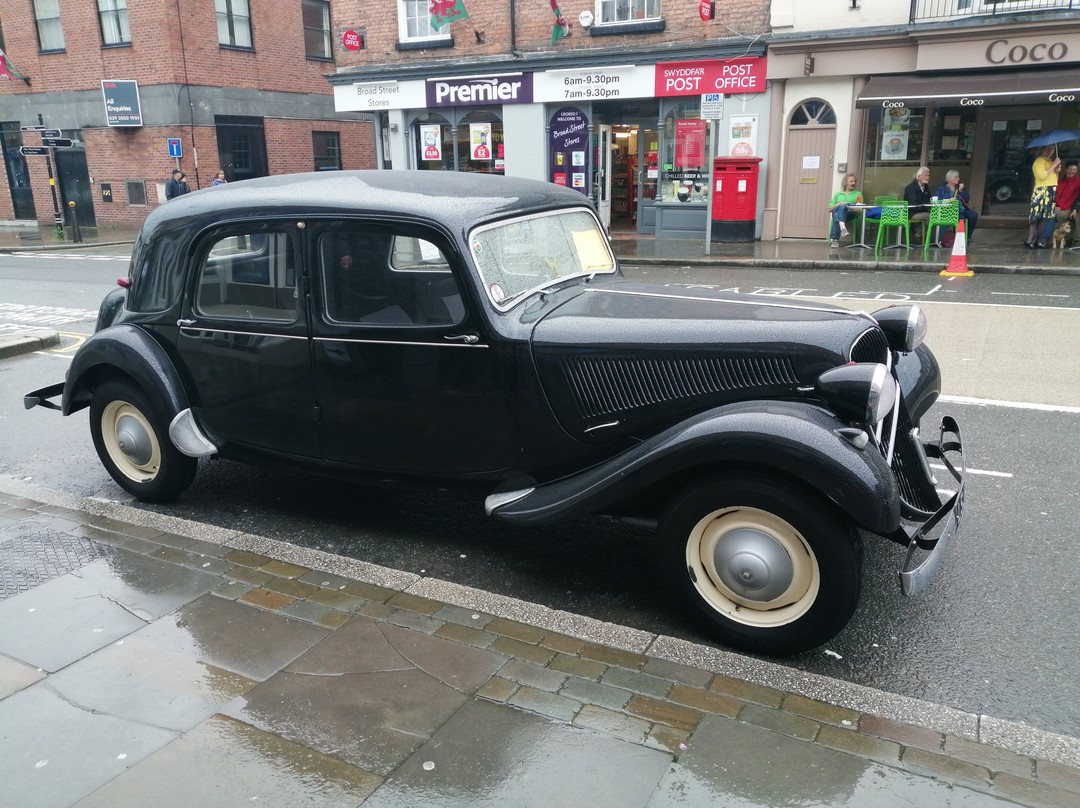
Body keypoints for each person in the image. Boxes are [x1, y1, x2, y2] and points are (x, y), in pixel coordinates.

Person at [1026, 145, 1060, 248]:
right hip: (1041, 191)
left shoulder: (1049, 161)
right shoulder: (1039, 161)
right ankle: (1029, 240)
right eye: (1048, 148)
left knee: (1045, 217)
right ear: (1042, 149)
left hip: (1050, 191)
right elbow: (1042, 176)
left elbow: (1052, 178)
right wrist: (1054, 165)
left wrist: (1056, 171)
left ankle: (1038, 240)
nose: (1050, 151)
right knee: (1036, 217)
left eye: (1052, 149)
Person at [934, 170, 977, 243]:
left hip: (961, 209)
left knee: (973, 215)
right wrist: (949, 199)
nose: (958, 179)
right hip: (949, 210)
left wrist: (961, 191)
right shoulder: (942, 188)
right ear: (950, 179)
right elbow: (937, 199)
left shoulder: (959, 188)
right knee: (961, 219)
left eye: (958, 177)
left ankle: (968, 237)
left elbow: (967, 198)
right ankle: (959, 239)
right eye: (956, 177)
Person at [827, 173, 862, 247]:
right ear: (845, 183)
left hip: (850, 214)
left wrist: (847, 207)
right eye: (851, 181)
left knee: (837, 214)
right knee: (840, 209)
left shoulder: (858, 194)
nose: (853, 183)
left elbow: (860, 209)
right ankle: (842, 227)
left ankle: (835, 240)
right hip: (838, 211)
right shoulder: (838, 194)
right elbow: (829, 209)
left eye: (854, 181)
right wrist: (839, 204)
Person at [903, 166, 933, 241]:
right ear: (919, 177)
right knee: (931, 217)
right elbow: (913, 205)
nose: (928, 177)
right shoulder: (911, 188)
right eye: (926, 175)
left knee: (936, 215)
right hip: (911, 213)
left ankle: (919, 236)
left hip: (921, 211)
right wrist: (926, 207)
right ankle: (917, 235)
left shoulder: (925, 187)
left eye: (928, 175)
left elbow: (929, 199)